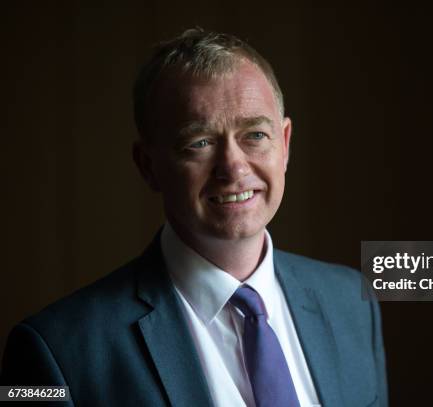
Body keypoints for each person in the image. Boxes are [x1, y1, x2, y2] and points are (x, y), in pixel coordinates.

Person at [1, 28, 387, 407]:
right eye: (199, 143)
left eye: (254, 135)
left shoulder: (353, 302)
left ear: (284, 144)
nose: (233, 167)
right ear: (147, 165)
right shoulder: (54, 350)